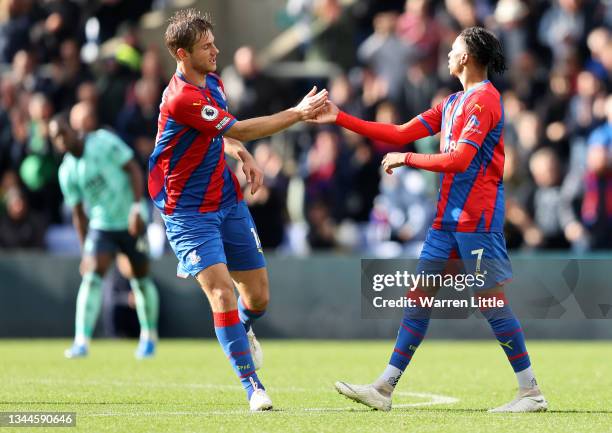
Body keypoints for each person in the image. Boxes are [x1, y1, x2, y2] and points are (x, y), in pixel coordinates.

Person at [311, 26, 547, 413]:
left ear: (467, 57)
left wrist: (409, 158)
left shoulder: (483, 102)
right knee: (418, 297)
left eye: (453, 48)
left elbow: (459, 160)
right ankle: (384, 388)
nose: (448, 53)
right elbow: (400, 131)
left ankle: (531, 391)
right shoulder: (453, 103)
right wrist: (340, 118)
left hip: (477, 219)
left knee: (490, 302)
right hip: (446, 221)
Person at [148, 9, 327, 411]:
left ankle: (244, 330)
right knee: (222, 294)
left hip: (226, 201)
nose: (215, 50)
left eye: (213, 42)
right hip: (188, 213)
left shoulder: (212, 80)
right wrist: (297, 114)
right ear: (181, 54)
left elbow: (221, 134)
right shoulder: (181, 97)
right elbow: (239, 126)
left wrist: (239, 152)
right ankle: (253, 387)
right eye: (205, 46)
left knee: (258, 298)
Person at [49, 111, 160, 360]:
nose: (61, 140)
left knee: (141, 279)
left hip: (132, 218)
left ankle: (149, 337)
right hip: (103, 225)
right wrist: (85, 249)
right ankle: (81, 341)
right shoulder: (67, 171)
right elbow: (78, 213)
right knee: (91, 276)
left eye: (62, 132)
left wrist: (135, 209)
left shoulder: (102, 141)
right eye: (55, 138)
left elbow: (133, 169)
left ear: (71, 128)